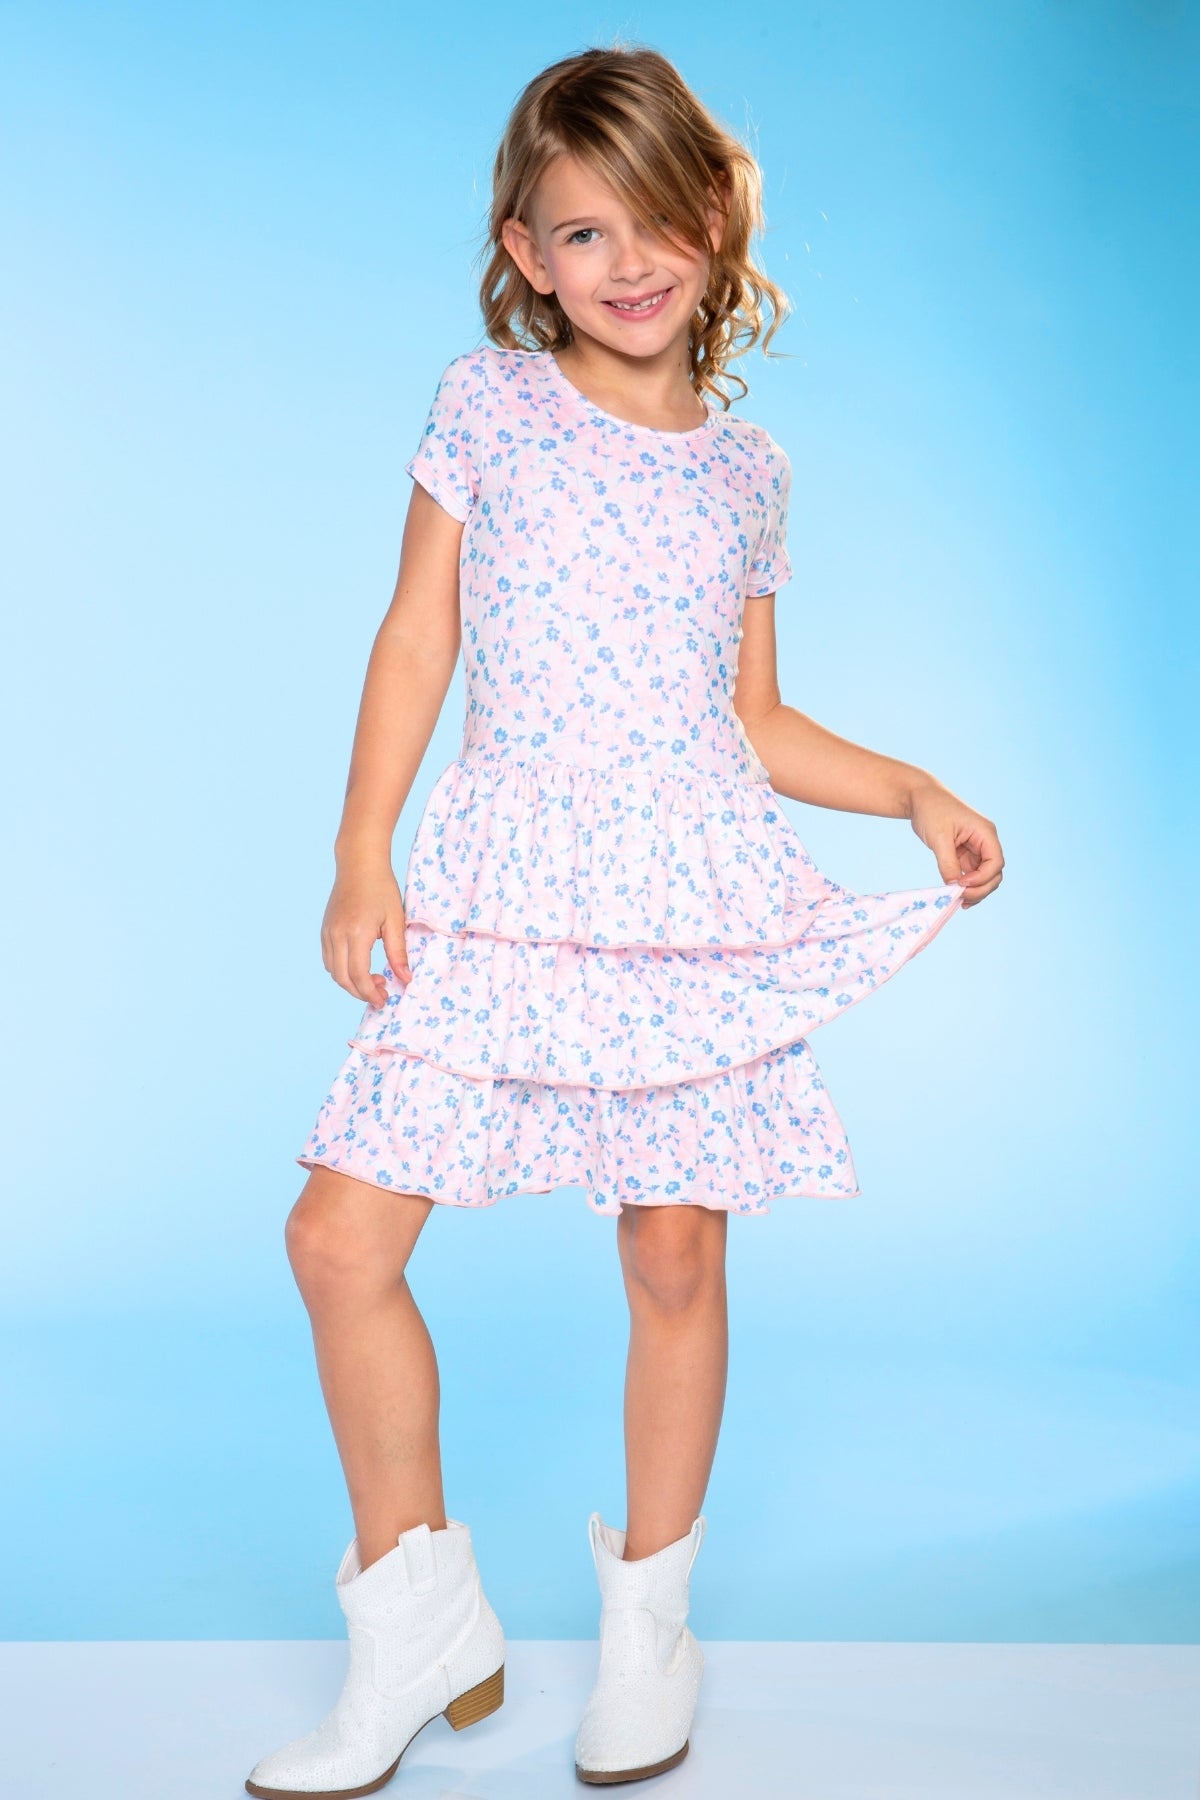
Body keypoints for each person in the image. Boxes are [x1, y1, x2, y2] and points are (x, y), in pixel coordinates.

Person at [245, 41, 1003, 1799]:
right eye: (583, 233)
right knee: (339, 1241)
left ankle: (653, 1624)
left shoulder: (749, 474)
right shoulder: (488, 406)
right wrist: (364, 848)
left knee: (674, 1256)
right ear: (528, 254)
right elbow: (419, 634)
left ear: (716, 218)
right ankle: (417, 1620)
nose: (628, 261)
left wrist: (911, 788)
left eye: (657, 219)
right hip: (504, 880)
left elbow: (753, 718)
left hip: (685, 890)